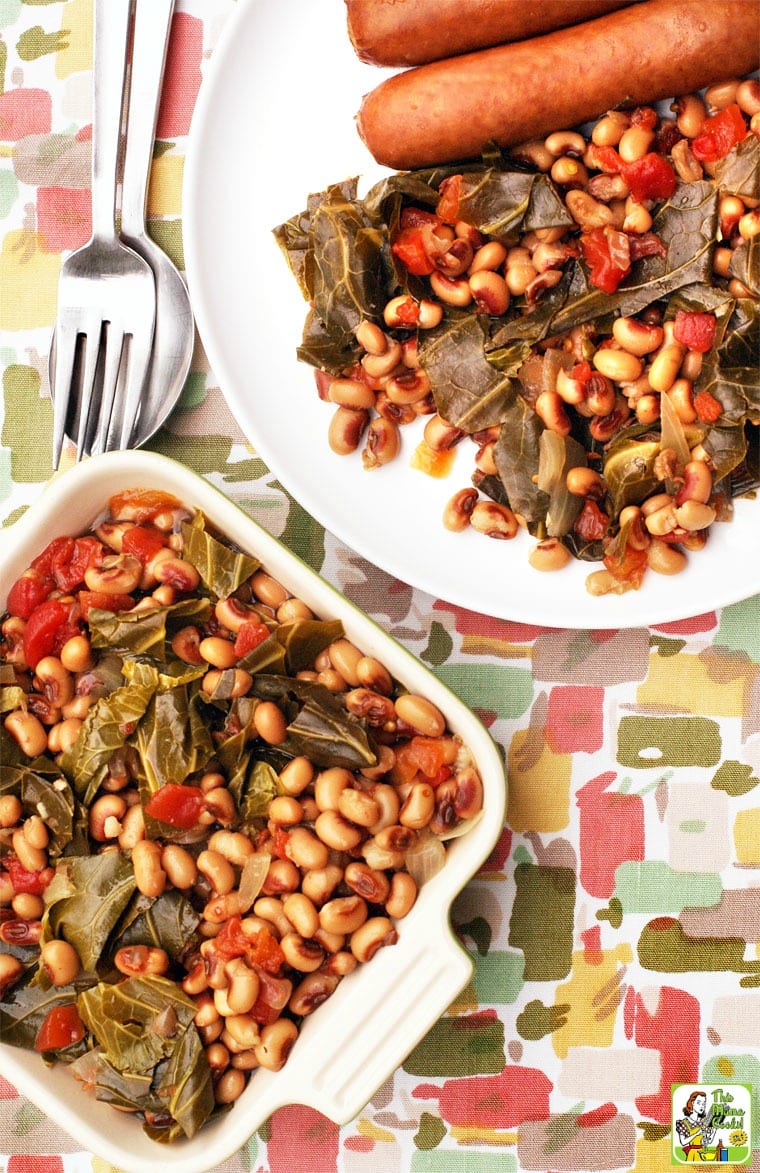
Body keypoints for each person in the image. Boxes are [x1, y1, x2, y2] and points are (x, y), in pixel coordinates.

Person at [676, 1090, 717, 1162]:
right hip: (692, 1155)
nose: (702, 1106)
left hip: (703, 1154)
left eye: (704, 1104)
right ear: (692, 1103)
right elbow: (683, 1142)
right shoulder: (683, 1123)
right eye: (699, 1103)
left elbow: (708, 1141)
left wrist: (714, 1129)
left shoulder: (704, 1122)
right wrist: (697, 1133)